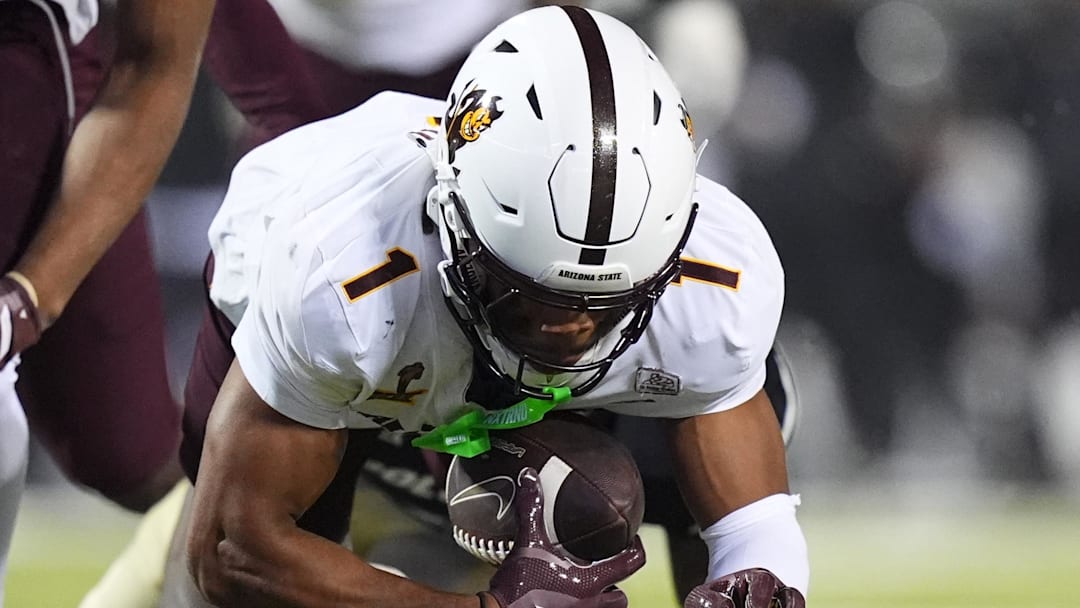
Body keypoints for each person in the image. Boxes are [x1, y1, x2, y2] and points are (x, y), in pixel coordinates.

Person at [165, 6, 808, 608]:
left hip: (441, 354)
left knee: (636, 481)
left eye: (606, 304)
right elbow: (233, 553)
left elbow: (756, 531)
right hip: (349, 361)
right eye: (533, 296)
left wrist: (757, 585)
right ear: (455, 225)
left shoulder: (715, 285)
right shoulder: (339, 274)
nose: (571, 327)